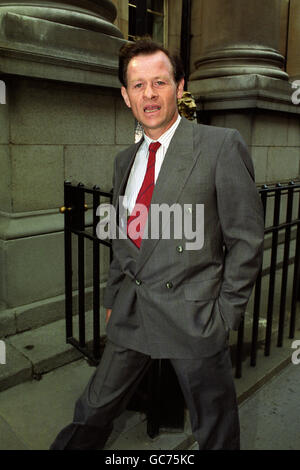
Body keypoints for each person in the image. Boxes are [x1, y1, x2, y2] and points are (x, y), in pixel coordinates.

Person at [50, 38, 264, 450]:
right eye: (138, 85)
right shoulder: (124, 161)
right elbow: (122, 238)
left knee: (215, 430)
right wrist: (114, 294)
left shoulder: (220, 145)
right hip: (133, 310)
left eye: (160, 83)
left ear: (180, 87)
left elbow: (246, 239)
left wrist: (224, 316)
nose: (149, 94)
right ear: (125, 96)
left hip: (195, 315)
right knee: (93, 410)